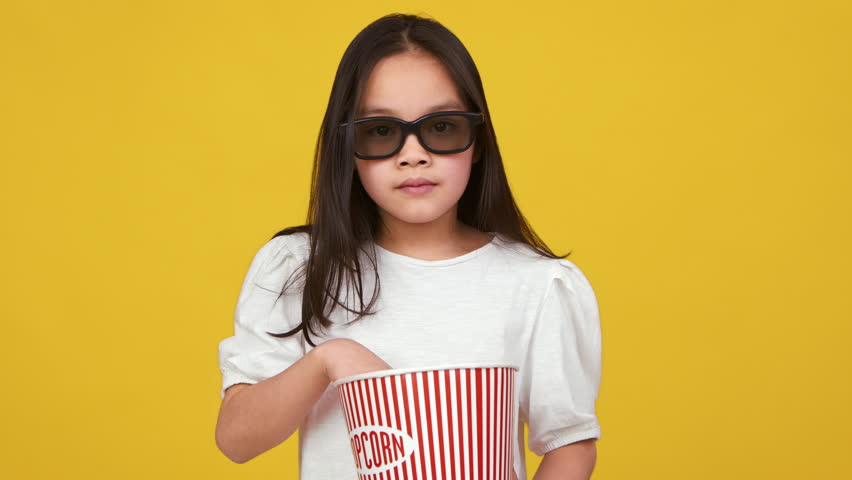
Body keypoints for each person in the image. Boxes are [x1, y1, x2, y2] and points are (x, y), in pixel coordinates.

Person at [214, 13, 602, 480]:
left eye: (441, 127)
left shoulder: (537, 285)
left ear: (477, 142)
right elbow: (236, 439)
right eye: (381, 131)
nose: (413, 153)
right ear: (348, 148)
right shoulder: (299, 268)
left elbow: (569, 443)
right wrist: (329, 359)